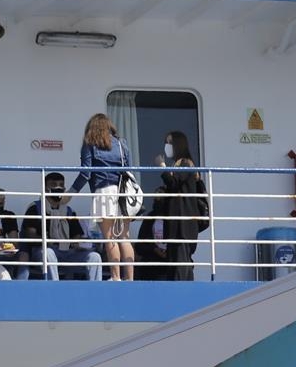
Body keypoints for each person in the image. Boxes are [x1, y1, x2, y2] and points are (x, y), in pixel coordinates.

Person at [73, 113, 135, 281]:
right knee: (124, 237)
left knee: (110, 238)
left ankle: (116, 277)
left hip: (104, 192)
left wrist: (71, 192)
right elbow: (128, 170)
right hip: (123, 193)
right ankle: (129, 279)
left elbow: (86, 173)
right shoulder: (122, 144)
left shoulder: (89, 143)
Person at [148, 132, 208, 282]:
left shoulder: (186, 163)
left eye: (169, 142)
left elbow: (174, 183)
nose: (166, 146)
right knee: (175, 259)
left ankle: (183, 291)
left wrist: (161, 166)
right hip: (177, 223)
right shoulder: (178, 164)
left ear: (178, 144)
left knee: (181, 260)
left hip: (184, 223)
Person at [22, 172, 103, 281]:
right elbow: (30, 235)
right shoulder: (35, 208)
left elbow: (76, 238)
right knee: (48, 253)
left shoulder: (69, 211)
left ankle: (96, 292)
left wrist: (81, 244)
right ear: (46, 188)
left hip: (67, 252)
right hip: (44, 251)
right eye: (54, 185)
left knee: (94, 257)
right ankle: (55, 289)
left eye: (61, 184)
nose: (58, 187)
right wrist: (48, 242)